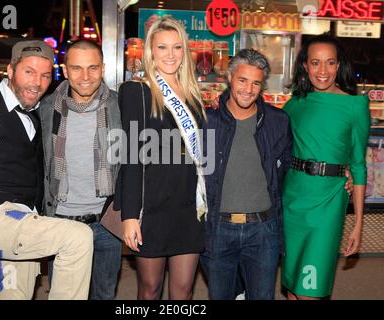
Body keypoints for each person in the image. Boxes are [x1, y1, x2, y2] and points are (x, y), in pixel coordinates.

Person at [0, 40, 93, 299]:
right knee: (77, 238)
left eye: (45, 75)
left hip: (23, 221)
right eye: (29, 72)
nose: (37, 82)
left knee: (15, 295)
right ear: (10, 71)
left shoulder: (32, 112)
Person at [115, 16, 207, 300]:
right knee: (150, 289)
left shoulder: (193, 95)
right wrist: (130, 216)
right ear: (150, 51)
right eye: (162, 47)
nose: (170, 55)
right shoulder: (137, 91)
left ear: (185, 52)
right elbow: (130, 156)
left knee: (183, 290)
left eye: (177, 47)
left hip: (188, 207)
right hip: (152, 205)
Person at [281, 34, 370, 300]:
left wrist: (358, 224)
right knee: (292, 287)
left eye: (330, 63)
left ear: (338, 65)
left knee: (311, 288)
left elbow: (358, 165)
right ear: (305, 66)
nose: (323, 71)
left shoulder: (355, 105)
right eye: (315, 63)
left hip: (328, 203)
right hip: (293, 198)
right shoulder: (295, 103)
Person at [200, 49, 292, 300]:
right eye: (242, 80)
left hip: (263, 229)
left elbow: (288, 169)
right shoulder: (207, 120)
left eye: (255, 83)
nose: (248, 89)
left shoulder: (278, 121)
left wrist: (342, 175)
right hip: (219, 227)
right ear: (230, 78)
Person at [39, 39, 122, 300]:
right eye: (76, 68)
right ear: (64, 70)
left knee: (104, 294)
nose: (85, 77)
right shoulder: (45, 108)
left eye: (93, 68)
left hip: (107, 220)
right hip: (61, 220)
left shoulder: (120, 107)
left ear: (103, 68)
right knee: (64, 294)